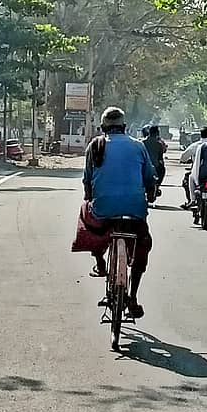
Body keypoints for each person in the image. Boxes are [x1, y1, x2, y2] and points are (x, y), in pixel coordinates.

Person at [78, 107, 156, 319]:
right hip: (135, 212)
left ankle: (99, 261)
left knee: (87, 217)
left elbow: (87, 180)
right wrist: (151, 195)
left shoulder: (95, 145)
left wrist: (90, 197)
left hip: (102, 210)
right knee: (143, 244)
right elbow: (149, 178)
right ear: (125, 127)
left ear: (102, 127)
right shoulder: (138, 146)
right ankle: (133, 297)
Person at [181, 127, 207, 208]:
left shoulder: (196, 145)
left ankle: (193, 200)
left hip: (199, 173)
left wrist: (184, 160)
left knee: (190, 178)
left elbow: (183, 157)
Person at [143, 125, 167, 193]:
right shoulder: (159, 144)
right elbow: (160, 158)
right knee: (163, 170)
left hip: (143, 166)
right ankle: (158, 186)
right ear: (157, 133)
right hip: (155, 167)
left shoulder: (142, 143)